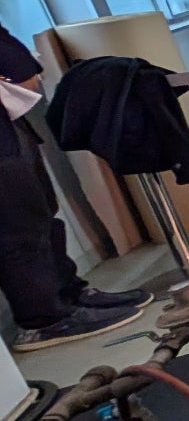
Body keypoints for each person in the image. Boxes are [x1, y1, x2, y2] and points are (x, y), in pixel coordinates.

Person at [0, 25, 150, 351]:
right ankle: (43, 320)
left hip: (7, 120)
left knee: (42, 211)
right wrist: (20, 68)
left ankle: (68, 293)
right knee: (19, 226)